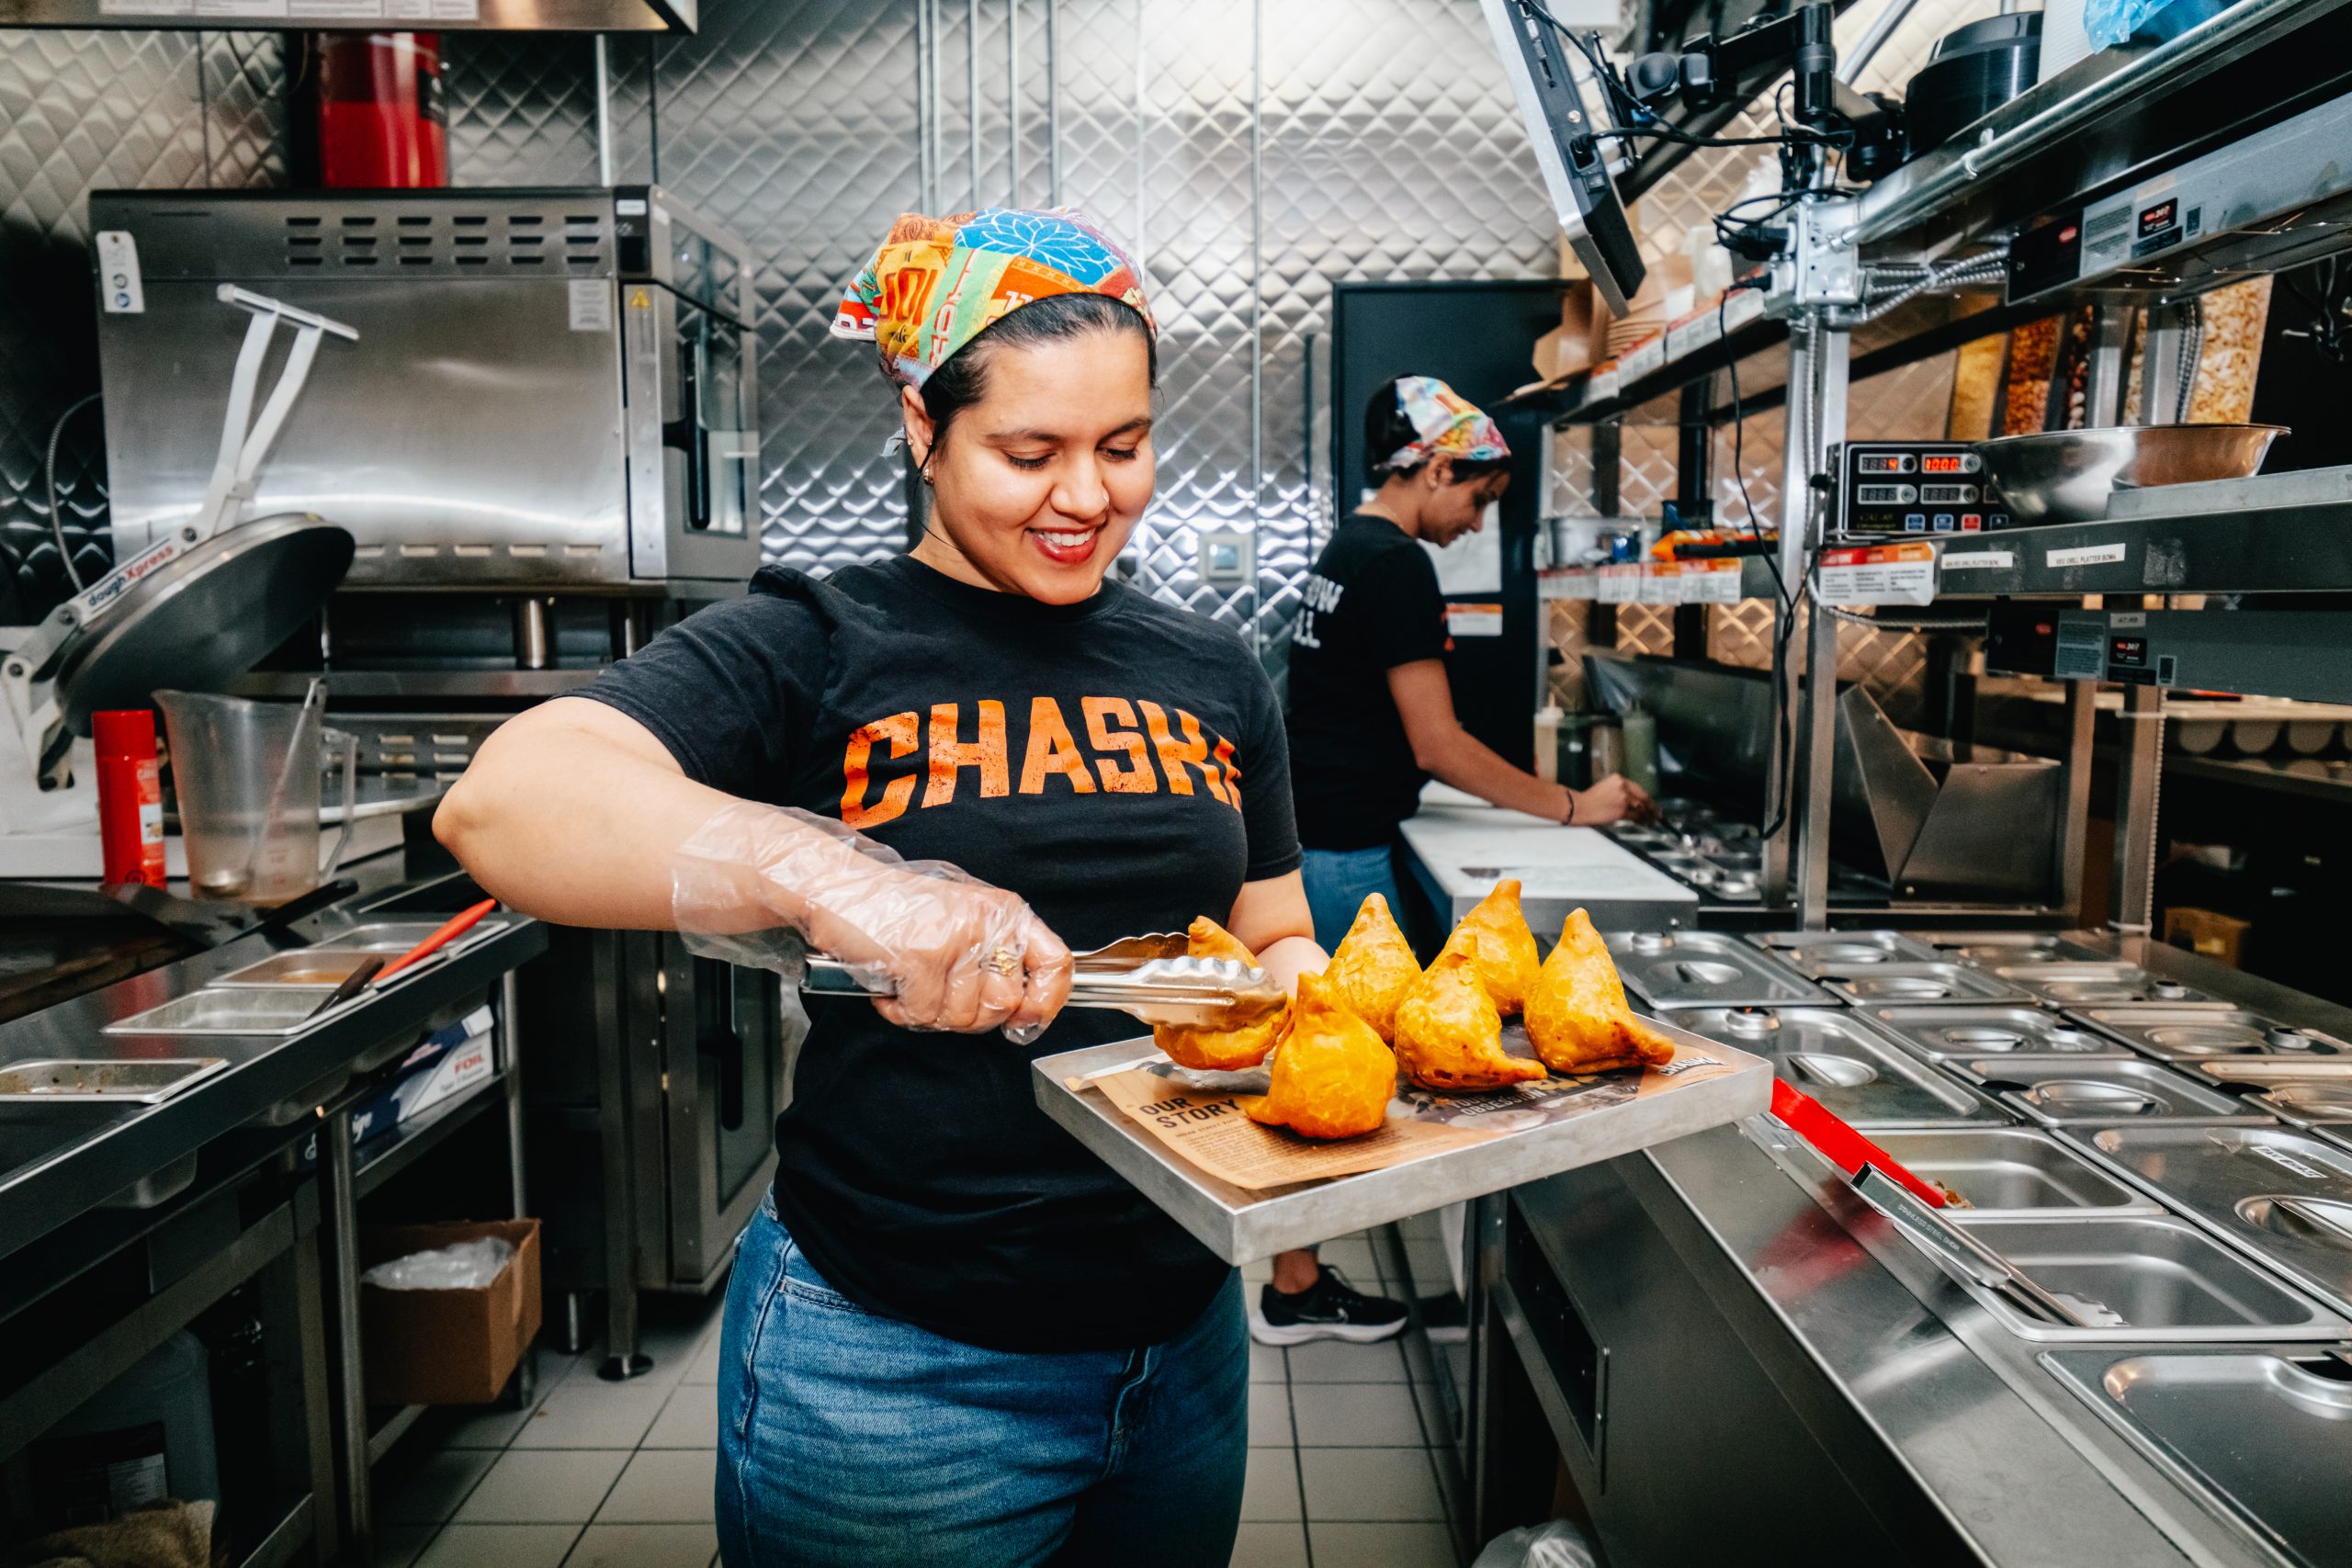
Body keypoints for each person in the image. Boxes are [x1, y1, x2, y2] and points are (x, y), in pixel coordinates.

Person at [435, 209, 1319, 1568]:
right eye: (1029, 453)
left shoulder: (1212, 669)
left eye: (1124, 446)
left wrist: (1318, 1006)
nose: (1087, 495)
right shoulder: (819, 641)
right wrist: (834, 872)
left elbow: (1268, 919)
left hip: (1181, 1330)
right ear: (922, 423)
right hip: (901, 1360)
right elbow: (505, 799)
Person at [1284, 374, 1657, 953]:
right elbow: (1437, 745)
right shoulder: (1393, 563)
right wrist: (1576, 806)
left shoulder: (1349, 546)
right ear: (1437, 470)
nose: (1479, 522)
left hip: (1319, 838)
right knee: (1371, 1033)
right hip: (1347, 853)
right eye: (1480, 498)